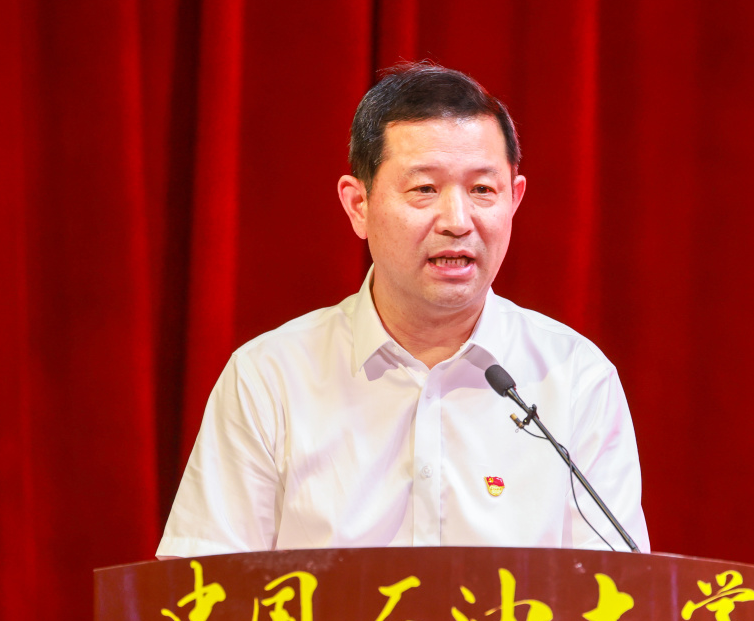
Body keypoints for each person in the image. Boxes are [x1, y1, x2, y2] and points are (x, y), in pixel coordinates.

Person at [157, 62, 648, 557]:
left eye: (482, 190)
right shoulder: (270, 379)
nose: (457, 221)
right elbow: (202, 590)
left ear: (515, 199)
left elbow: (620, 593)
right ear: (359, 205)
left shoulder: (576, 379)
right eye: (424, 189)